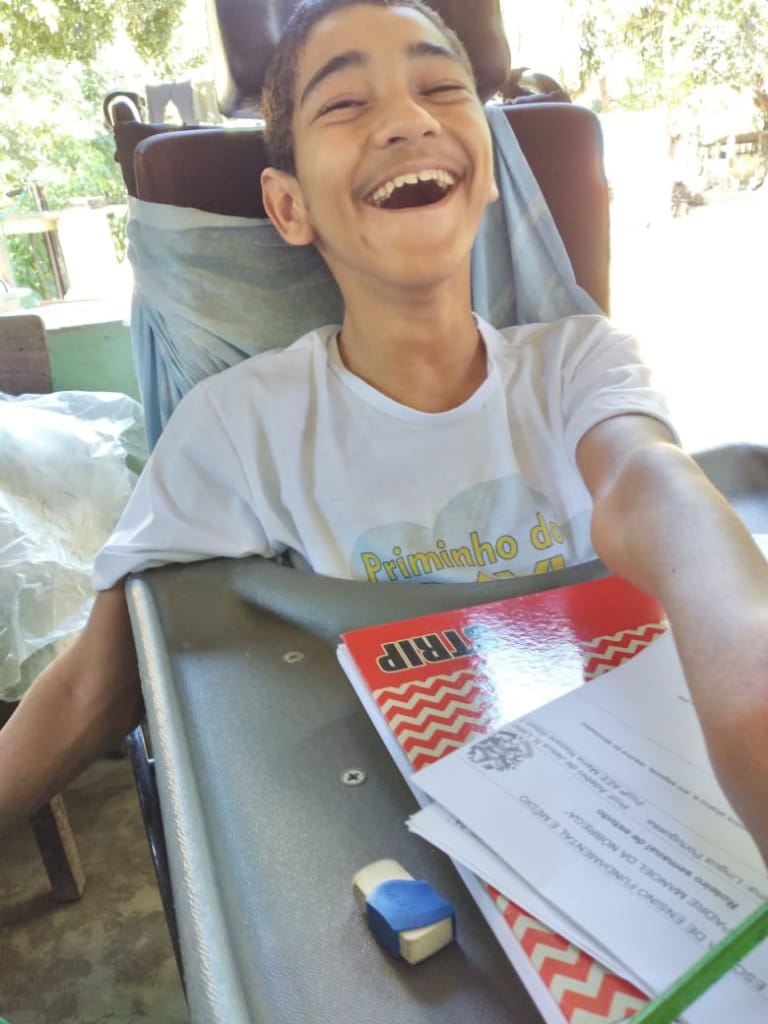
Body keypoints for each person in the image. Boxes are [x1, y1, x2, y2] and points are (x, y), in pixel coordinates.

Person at [1, 0, 767, 863]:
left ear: (488, 171)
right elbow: (93, 688)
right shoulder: (237, 425)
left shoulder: (580, 363)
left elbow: (651, 483)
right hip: (390, 836)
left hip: (628, 809)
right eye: (345, 102)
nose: (408, 120)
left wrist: (745, 654)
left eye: (441, 88)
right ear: (288, 205)